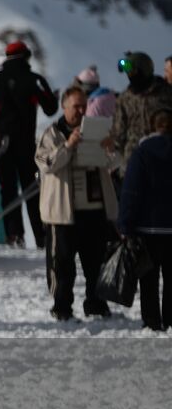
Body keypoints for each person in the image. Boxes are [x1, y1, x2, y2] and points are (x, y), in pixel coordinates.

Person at [36, 86, 119, 321]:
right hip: (62, 213)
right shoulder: (51, 134)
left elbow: (115, 164)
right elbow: (46, 163)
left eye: (84, 106)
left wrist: (111, 150)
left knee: (96, 263)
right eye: (76, 106)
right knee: (62, 266)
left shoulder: (96, 131)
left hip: (93, 209)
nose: (81, 111)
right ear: (64, 107)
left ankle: (96, 304)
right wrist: (68, 146)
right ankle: (62, 307)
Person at [0, 41, 58, 249]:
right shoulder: (34, 80)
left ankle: (14, 235)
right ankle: (41, 237)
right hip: (26, 143)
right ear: (26, 56)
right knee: (32, 189)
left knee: (8, 190)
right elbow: (50, 108)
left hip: (3, 144)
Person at [118, 109, 172, 331]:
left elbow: (131, 191)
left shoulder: (142, 153)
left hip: (146, 229)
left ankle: (151, 321)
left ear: (151, 127)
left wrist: (125, 225)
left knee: (148, 279)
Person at [109, 51, 172, 171]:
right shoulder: (124, 99)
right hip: (135, 165)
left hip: (164, 162)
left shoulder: (166, 92)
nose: (130, 75)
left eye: (133, 72)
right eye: (128, 73)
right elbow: (118, 135)